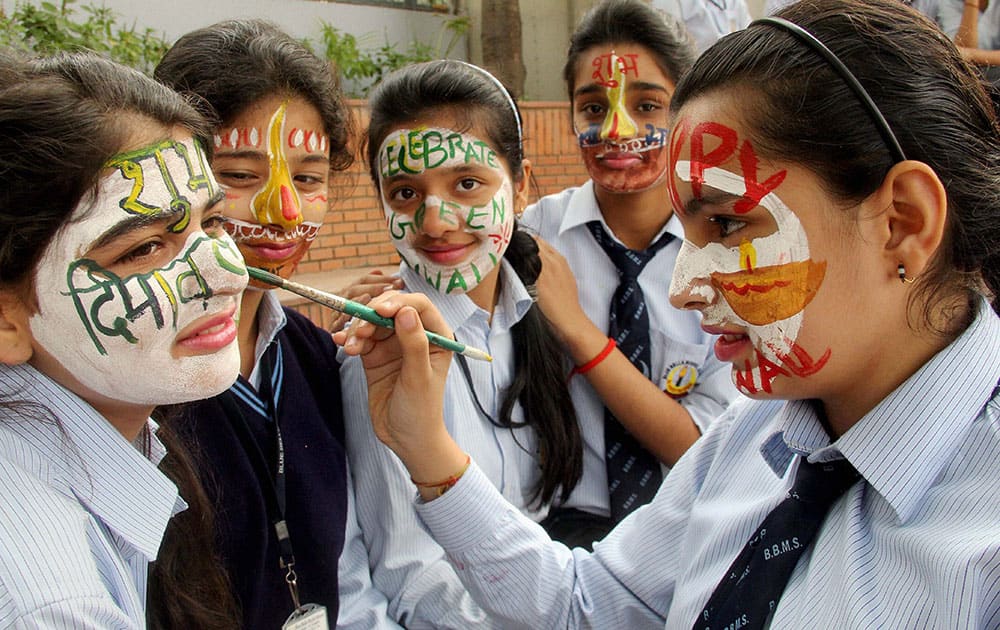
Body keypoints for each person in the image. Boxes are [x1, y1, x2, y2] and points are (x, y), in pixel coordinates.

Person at [336, 0, 1000, 626]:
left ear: (903, 222)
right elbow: (588, 607)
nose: (683, 287)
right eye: (688, 228)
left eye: (731, 223)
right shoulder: (753, 438)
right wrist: (428, 450)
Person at [154, 20, 398, 629]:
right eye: (238, 174)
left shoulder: (322, 360)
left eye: (309, 179)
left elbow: (352, 570)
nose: (284, 210)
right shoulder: (133, 387)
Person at [0, 51, 248, 628]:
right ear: (7, 319)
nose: (229, 271)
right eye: (143, 248)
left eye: (212, 223)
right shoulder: (53, 603)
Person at [340, 58, 585, 627]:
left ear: (520, 186)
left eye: (467, 184)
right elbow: (411, 577)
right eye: (404, 192)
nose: (435, 220)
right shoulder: (382, 354)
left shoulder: (534, 310)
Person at [523, 0, 739, 544]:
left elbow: (698, 445)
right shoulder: (532, 237)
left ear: (686, 112)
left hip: (691, 522)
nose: (618, 129)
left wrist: (577, 331)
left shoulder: (729, 248)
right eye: (593, 108)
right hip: (562, 528)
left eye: (647, 105)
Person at [651, 0, 752, 54]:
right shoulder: (669, 2)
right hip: (694, 76)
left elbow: (749, 38)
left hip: (731, 70)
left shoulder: (736, 3)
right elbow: (668, 47)